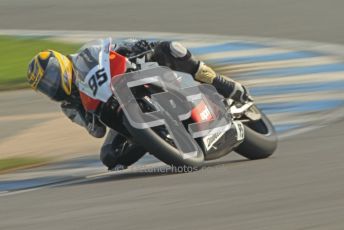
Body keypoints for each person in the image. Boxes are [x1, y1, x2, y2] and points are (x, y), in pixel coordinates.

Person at [27, 39, 252, 170]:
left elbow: (113, 48)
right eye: (46, 87)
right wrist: (90, 117)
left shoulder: (84, 57)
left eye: (51, 77)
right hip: (117, 111)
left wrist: (136, 47)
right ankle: (156, 139)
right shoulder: (69, 106)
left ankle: (220, 83)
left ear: (61, 64)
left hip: (133, 76)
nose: (52, 85)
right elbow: (95, 131)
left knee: (170, 48)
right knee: (109, 157)